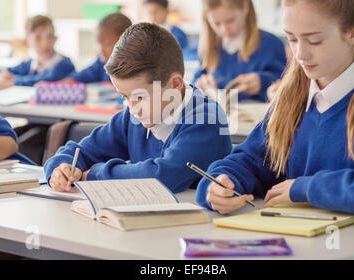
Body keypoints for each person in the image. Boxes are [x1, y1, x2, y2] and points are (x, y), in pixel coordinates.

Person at [196, 0, 354, 221]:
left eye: (314, 40)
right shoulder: (291, 98)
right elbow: (250, 159)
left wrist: (305, 188)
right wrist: (220, 184)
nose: (300, 53)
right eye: (292, 39)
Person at [44, 23, 232, 193]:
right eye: (125, 97)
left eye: (140, 97)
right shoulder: (132, 117)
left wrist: (94, 174)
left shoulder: (206, 118)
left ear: (175, 84)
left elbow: (160, 177)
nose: (133, 109)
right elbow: (80, 151)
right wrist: (62, 168)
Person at [193, 0, 287, 102]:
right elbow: (195, 83)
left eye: (230, 20)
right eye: (216, 23)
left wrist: (262, 82)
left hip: (257, 117)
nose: (224, 29)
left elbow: (288, 85)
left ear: (245, 7)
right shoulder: (208, 46)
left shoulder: (271, 44)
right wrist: (200, 86)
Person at [0, 15, 75, 90]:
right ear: (27, 42)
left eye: (50, 36)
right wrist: (1, 76)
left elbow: (46, 80)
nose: (46, 43)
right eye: (38, 38)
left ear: (56, 39)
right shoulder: (29, 64)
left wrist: (12, 81)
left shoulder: (65, 64)